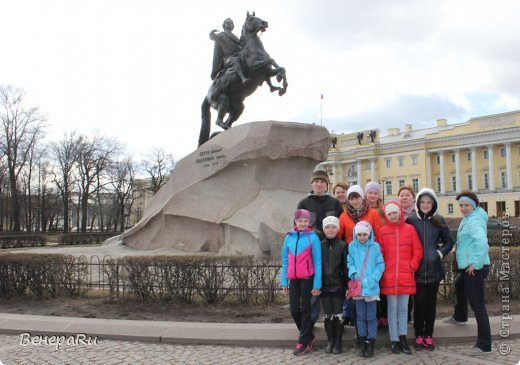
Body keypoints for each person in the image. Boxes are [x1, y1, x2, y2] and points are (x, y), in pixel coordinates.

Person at [443, 191, 491, 355]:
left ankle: (484, 344)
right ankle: (460, 316)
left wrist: (475, 264)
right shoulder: (470, 217)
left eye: (466, 205)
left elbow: (483, 243)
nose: (463, 208)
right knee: (459, 284)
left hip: (475, 267)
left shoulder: (474, 221)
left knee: (478, 305)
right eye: (461, 205)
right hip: (469, 266)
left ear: (474, 205)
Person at [406, 188, 453, 351]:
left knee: (431, 306)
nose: (426, 205)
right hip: (417, 271)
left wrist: (439, 253)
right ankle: (418, 336)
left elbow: (449, 242)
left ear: (433, 204)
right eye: (423, 202)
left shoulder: (439, 220)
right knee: (418, 305)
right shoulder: (411, 220)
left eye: (429, 202)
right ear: (418, 203)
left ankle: (428, 336)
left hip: (434, 270)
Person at [297, 170, 343, 335]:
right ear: (312, 183)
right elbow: (298, 227)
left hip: (332, 249)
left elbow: (341, 225)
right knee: (314, 287)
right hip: (312, 250)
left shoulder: (334, 203)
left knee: (334, 284)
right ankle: (311, 320)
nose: (319, 184)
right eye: (316, 181)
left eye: (322, 182)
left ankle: (336, 320)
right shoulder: (304, 203)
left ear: (326, 184)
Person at [338, 184, 382, 341]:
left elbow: (379, 233)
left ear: (362, 197)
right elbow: (339, 236)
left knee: (370, 302)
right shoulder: (344, 216)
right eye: (351, 198)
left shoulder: (372, 214)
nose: (354, 201)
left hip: (370, 257)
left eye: (357, 197)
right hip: (354, 257)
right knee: (356, 301)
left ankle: (370, 334)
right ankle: (359, 332)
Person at [378, 200, 423, 355]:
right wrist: (383, 268)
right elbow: (380, 252)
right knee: (392, 308)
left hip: (405, 274)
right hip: (389, 275)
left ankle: (403, 337)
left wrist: (413, 265)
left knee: (404, 308)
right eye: (389, 213)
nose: (392, 216)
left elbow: (417, 249)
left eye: (394, 212)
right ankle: (394, 339)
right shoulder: (382, 231)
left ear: (400, 212)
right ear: (386, 215)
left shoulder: (410, 229)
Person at [280, 209, 322, 356]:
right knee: (294, 309)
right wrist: (284, 282)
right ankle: (309, 335)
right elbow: (285, 260)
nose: (303, 223)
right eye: (300, 221)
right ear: (295, 222)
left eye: (305, 221)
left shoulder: (313, 238)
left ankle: (303, 342)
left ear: (309, 222)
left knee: (305, 310)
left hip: (307, 279)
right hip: (293, 279)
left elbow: (317, 262)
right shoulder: (289, 237)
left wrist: (317, 285)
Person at [347, 221, 385, 358]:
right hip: (358, 288)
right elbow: (350, 261)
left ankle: (371, 341)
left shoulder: (375, 246)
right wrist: (353, 273)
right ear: (355, 235)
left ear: (369, 235)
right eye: (359, 235)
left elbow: (380, 264)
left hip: (372, 287)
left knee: (371, 317)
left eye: (364, 234)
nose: (362, 237)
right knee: (361, 317)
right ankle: (362, 340)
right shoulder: (352, 246)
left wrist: (374, 278)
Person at [320, 216, 348, 354]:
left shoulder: (342, 245)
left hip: (338, 285)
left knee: (338, 315)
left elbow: (346, 267)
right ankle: (330, 340)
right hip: (324, 286)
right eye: (327, 227)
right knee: (327, 314)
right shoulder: (320, 245)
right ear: (324, 229)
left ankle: (338, 341)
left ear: (337, 229)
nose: (330, 229)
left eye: (333, 227)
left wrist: (348, 285)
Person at [209, 18, 249, 103]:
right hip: (228, 59)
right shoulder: (221, 35)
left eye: (231, 23)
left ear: (233, 26)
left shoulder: (235, 37)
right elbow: (213, 37)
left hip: (238, 56)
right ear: (224, 25)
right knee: (235, 60)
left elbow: (241, 45)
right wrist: (211, 33)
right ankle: (243, 78)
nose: (230, 24)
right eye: (227, 22)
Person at [364, 181, 388, 328]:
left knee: (382, 284)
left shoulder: (383, 210)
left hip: (380, 250)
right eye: (370, 192)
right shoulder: (362, 210)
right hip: (366, 252)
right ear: (365, 194)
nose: (372, 195)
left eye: (375, 193)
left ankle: (383, 315)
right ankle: (373, 316)